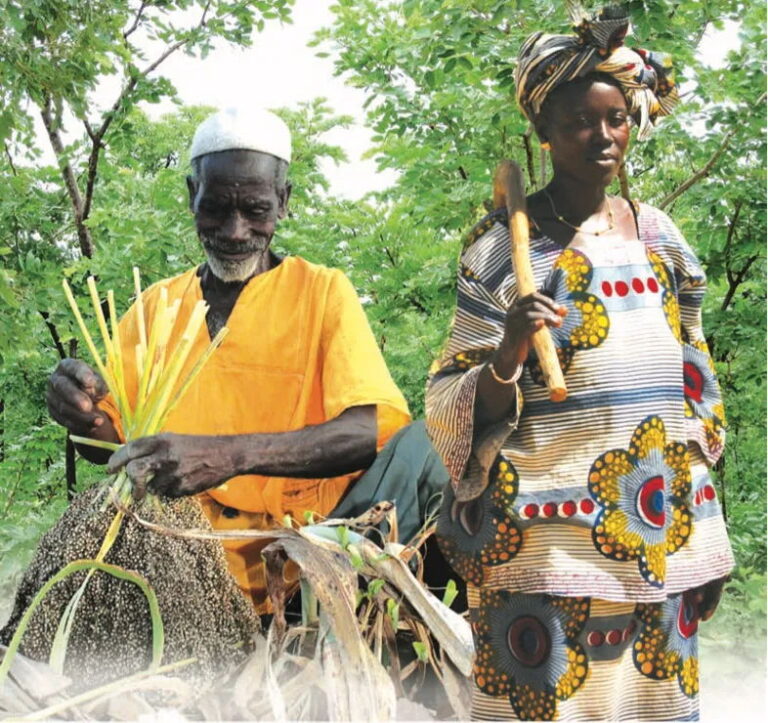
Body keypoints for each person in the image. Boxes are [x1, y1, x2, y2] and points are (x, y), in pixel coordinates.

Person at [426, 5, 733, 720]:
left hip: (658, 534)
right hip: (542, 543)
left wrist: (707, 539)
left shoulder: (661, 240)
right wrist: (506, 349)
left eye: (616, 119)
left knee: (651, 703)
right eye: (578, 123)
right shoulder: (504, 251)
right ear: (543, 132)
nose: (602, 138)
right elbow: (449, 408)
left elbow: (696, 389)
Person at [46, 107, 448, 614]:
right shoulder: (156, 307)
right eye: (215, 207)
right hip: (185, 569)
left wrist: (228, 456)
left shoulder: (322, 293)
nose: (236, 232)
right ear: (190, 194)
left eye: (256, 210)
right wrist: (81, 415)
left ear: (283, 202)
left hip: (313, 566)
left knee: (433, 443)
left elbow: (369, 432)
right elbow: (112, 448)